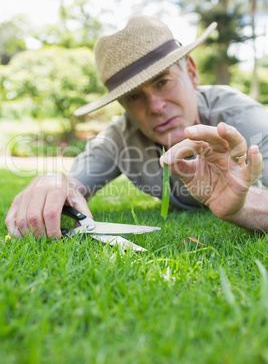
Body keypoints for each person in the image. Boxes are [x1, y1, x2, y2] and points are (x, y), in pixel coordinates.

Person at [5, 15, 268, 238]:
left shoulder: (245, 121)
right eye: (133, 96)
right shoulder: (120, 138)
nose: (154, 106)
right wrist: (51, 180)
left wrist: (242, 205)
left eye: (163, 82)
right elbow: (74, 182)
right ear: (122, 105)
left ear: (190, 71)